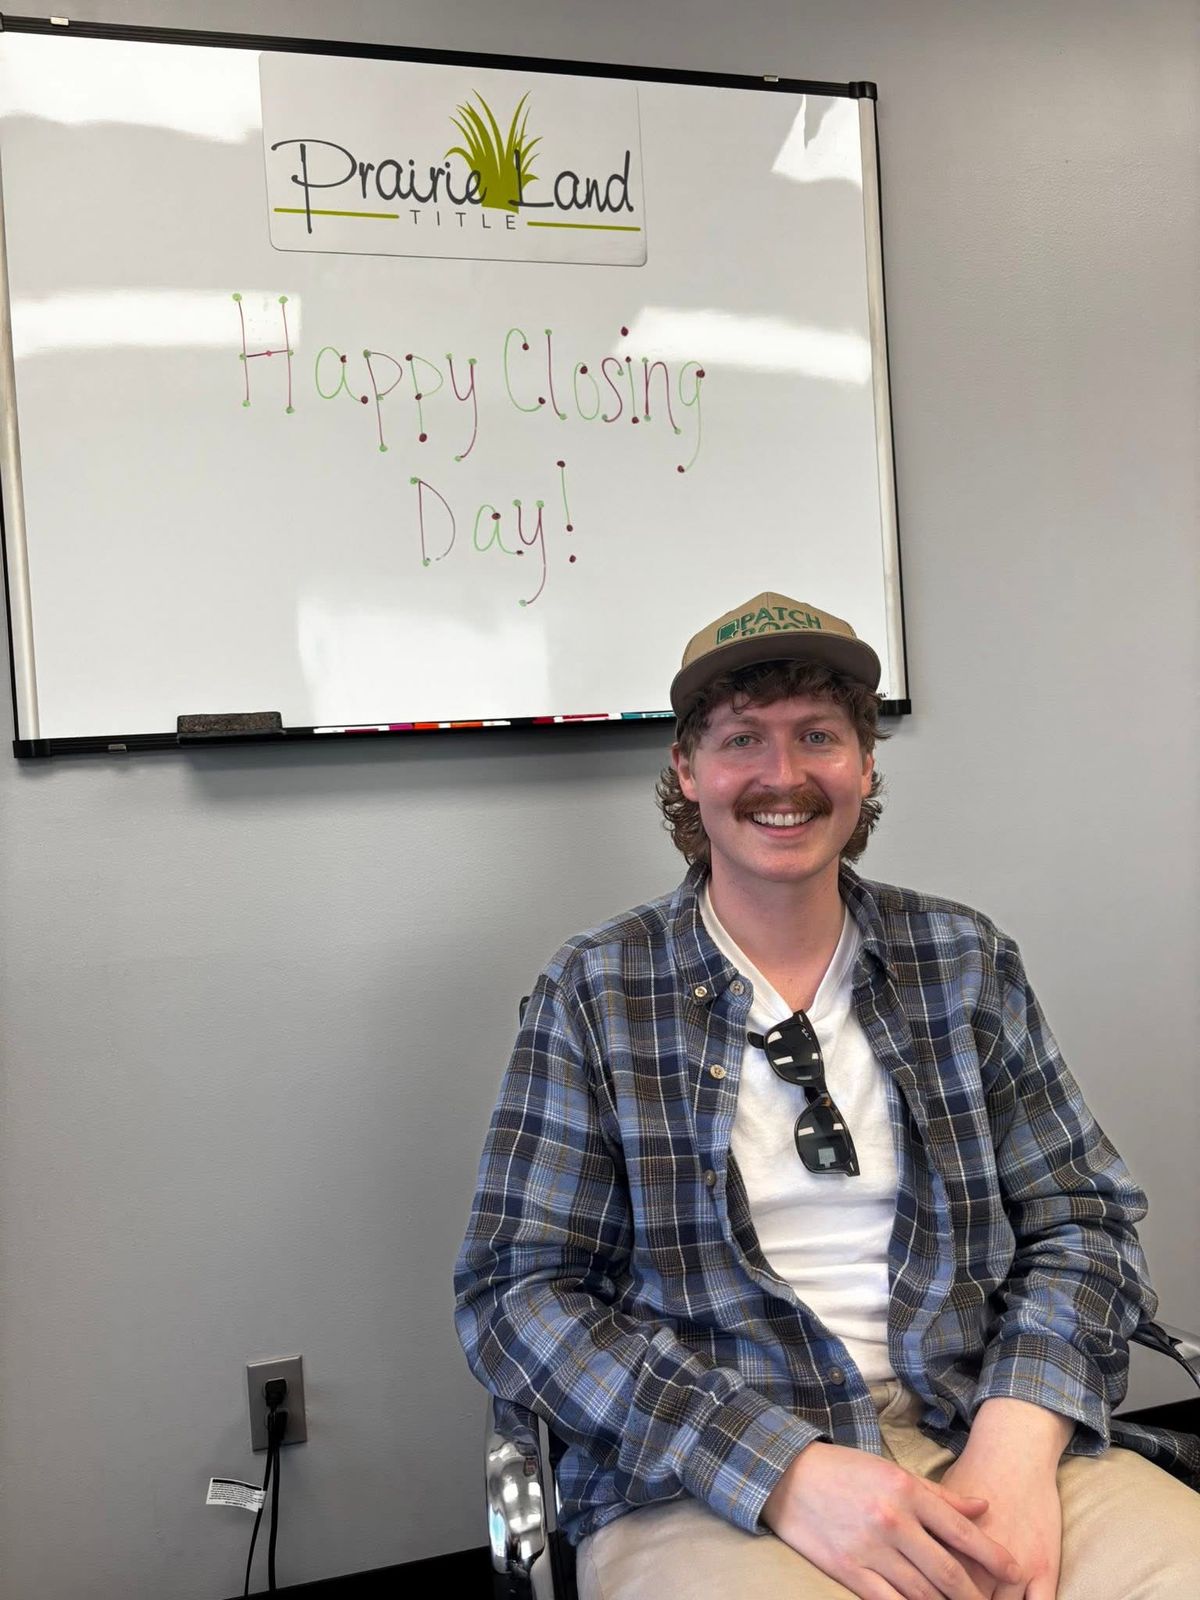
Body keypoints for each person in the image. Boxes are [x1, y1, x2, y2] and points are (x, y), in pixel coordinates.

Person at [455, 592, 1200, 1600]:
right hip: (711, 1479)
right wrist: (781, 1469)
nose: (784, 775)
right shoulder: (596, 990)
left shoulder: (963, 960)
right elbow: (519, 1295)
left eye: (818, 735)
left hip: (979, 1424)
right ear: (687, 770)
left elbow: (1083, 1221)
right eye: (742, 739)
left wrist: (1017, 1444)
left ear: (865, 764)